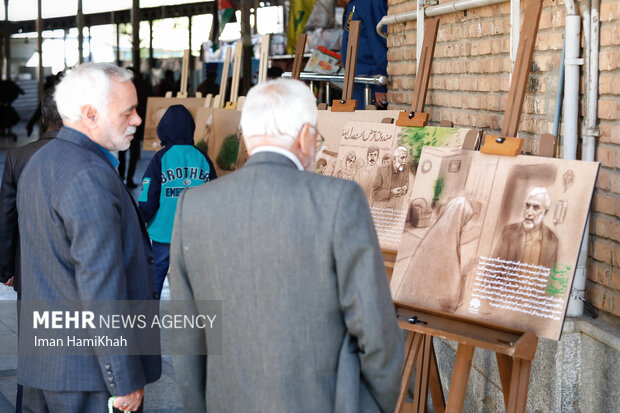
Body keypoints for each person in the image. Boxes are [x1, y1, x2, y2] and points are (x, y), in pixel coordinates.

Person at [169, 78, 403, 412]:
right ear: (306, 135)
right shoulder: (338, 199)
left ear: (247, 136)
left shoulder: (193, 205)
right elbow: (376, 332)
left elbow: (187, 335)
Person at [16, 62, 161, 412]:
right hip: (89, 377)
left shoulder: (41, 160)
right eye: (128, 111)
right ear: (90, 114)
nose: (138, 120)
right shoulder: (89, 175)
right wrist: (123, 379)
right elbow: (101, 286)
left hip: (47, 365)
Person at [0, 92, 62, 413]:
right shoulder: (90, 155)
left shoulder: (17, 157)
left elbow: (7, 217)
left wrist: (6, 268)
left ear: (42, 119)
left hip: (29, 270)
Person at [138, 104, 217, 296]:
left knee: (156, 278)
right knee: (192, 281)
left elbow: (149, 196)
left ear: (163, 130)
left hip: (164, 231)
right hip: (194, 232)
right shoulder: (203, 158)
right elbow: (214, 194)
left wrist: (142, 219)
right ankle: (192, 321)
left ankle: (149, 321)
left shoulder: (160, 159)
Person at [338, 0, 388, 108]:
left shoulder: (371, 2)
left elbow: (379, 42)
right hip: (356, 80)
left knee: (367, 123)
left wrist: (380, 86)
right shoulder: (354, 4)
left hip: (370, 82)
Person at [493, 186, 559, 267]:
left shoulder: (553, 241)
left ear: (545, 212)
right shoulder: (509, 232)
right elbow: (494, 268)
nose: (529, 212)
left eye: (535, 207)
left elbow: (550, 277)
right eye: (528, 206)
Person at [118, 67, 151, 188]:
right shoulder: (141, 86)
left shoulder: (122, 88)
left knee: (123, 151)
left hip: (125, 124)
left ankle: (121, 178)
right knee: (133, 153)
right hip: (137, 125)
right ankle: (129, 178)